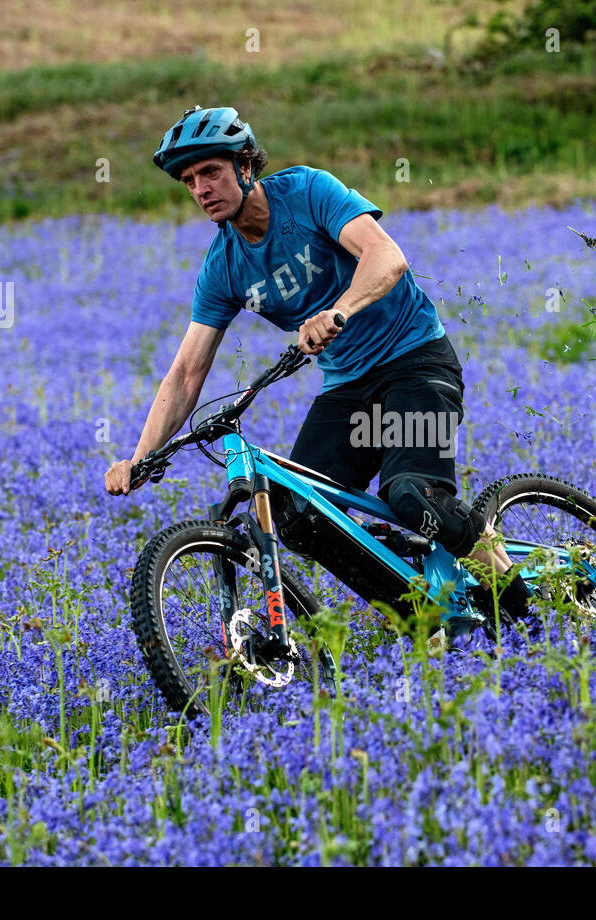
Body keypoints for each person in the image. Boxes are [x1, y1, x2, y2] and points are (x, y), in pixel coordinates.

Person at [103, 105, 534, 620]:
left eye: (210, 172)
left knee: (411, 494)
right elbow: (187, 372)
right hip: (347, 388)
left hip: (416, 361)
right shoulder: (223, 267)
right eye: (189, 180)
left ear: (245, 165)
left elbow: (386, 257)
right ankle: (420, 616)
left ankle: (518, 603)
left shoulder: (308, 193)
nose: (200, 189)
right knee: (299, 517)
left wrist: (339, 310)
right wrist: (141, 457)